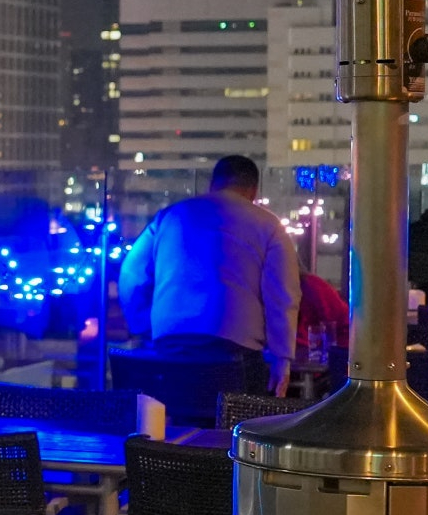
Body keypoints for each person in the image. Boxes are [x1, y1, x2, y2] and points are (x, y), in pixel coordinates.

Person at [117, 155, 301, 397]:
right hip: (235, 345)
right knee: (246, 410)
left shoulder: (168, 217)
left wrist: (142, 325)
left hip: (171, 341)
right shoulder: (270, 226)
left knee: (176, 410)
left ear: (212, 184)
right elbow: (283, 295)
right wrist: (282, 357)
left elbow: (131, 275)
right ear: (254, 190)